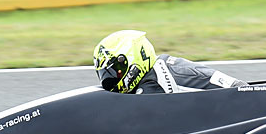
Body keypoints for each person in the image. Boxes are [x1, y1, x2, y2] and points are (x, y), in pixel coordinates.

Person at [93, 30, 247, 94]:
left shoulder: (155, 83)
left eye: (115, 72)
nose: (110, 81)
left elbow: (239, 89)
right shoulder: (157, 70)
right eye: (105, 75)